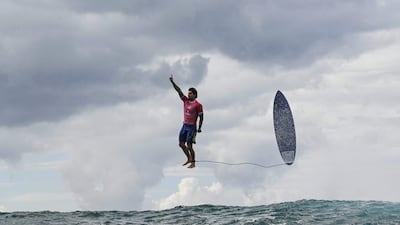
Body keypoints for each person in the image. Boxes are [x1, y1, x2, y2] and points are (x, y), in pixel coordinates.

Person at [169, 75, 203, 168]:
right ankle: (188, 158)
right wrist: (172, 82)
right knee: (181, 144)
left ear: (195, 95)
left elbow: (201, 117)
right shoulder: (185, 101)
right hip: (184, 125)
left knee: (189, 146)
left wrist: (199, 128)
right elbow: (179, 91)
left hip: (192, 127)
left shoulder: (198, 105)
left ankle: (193, 163)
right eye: (188, 93)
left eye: (191, 93)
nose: (188, 95)